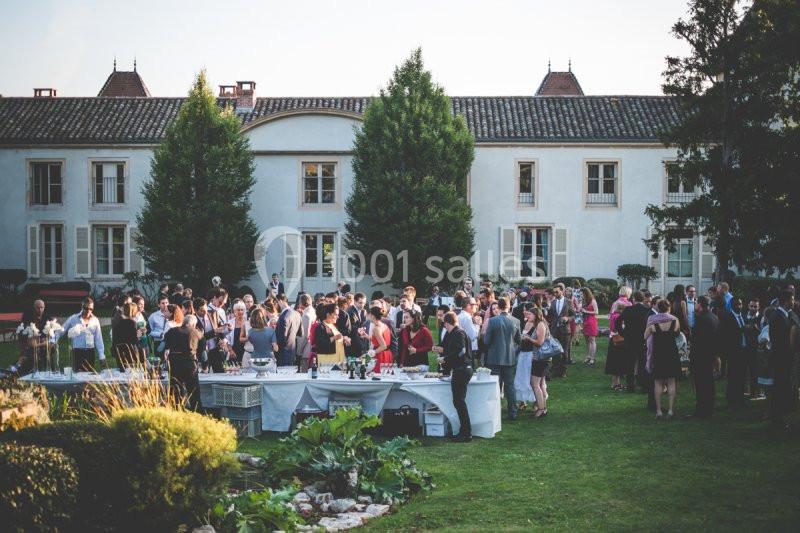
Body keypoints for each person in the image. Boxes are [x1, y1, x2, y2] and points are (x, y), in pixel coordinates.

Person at [433, 311, 473, 442]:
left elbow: (460, 352)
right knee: (458, 401)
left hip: (462, 369)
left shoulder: (458, 333)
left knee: (459, 401)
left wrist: (445, 359)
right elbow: (448, 347)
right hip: (460, 369)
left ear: (446, 323)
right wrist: (439, 350)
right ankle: (464, 431)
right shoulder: (454, 333)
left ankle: (466, 433)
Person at [483, 297, 521, 420]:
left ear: (498, 307)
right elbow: (518, 340)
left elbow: (487, 341)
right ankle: (513, 412)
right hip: (509, 357)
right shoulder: (515, 321)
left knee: (495, 387)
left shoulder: (493, 321)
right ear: (509, 306)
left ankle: (495, 412)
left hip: (494, 358)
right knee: (510, 386)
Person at [645, 299, 682, 419]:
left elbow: (645, 336)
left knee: (658, 382)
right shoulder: (674, 319)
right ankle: (671, 410)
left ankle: (659, 411)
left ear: (658, 308)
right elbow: (677, 333)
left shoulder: (652, 322)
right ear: (668, 308)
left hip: (658, 353)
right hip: (671, 353)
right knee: (671, 381)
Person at [163, 314, 203, 410]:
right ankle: (196, 412)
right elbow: (202, 350)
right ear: (193, 324)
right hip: (189, 363)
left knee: (175, 390)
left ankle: (176, 411)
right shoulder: (196, 332)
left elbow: (165, 343)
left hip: (175, 363)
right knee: (193, 392)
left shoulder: (172, 331)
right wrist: (203, 364)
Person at [768, 289, 795, 431]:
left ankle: (778, 417)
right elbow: (780, 341)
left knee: (781, 388)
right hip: (780, 359)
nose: (794, 302)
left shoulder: (783, 315)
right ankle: (777, 419)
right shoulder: (778, 317)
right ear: (786, 301)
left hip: (781, 359)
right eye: (792, 299)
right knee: (779, 388)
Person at [689, 296, 719, 418]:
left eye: (696, 302)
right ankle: (708, 408)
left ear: (700, 304)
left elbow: (696, 338)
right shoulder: (714, 317)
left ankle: (702, 410)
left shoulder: (700, 318)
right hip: (710, 353)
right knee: (708, 382)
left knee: (701, 384)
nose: (695, 304)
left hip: (701, 355)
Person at [57, 297, 106, 371]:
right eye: (86, 308)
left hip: (90, 352)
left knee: (89, 377)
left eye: (91, 309)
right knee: (77, 376)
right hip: (77, 352)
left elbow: (98, 339)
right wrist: (52, 340)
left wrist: (101, 355)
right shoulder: (73, 318)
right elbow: (61, 330)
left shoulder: (95, 320)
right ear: (82, 307)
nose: (88, 311)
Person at [617, 291, 651, 393]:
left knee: (630, 363)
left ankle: (630, 386)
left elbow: (618, 321)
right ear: (643, 299)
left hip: (630, 339)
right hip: (642, 339)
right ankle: (644, 385)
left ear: (634, 299)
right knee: (642, 363)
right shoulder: (646, 310)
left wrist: (622, 333)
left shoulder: (628, 309)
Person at [721, 298, 748, 408]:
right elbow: (726, 335)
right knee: (733, 377)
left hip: (743, 350)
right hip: (734, 351)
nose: (738, 306)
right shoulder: (728, 317)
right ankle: (732, 401)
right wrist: (742, 329)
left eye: (740, 304)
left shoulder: (743, 316)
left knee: (742, 376)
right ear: (732, 306)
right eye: (736, 304)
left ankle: (740, 399)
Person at [14, 299, 54, 375]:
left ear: (44, 307)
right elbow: (23, 330)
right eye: (38, 308)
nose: (40, 310)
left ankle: (19, 365)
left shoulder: (48, 318)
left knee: (46, 348)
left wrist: (42, 340)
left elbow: (51, 335)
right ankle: (21, 368)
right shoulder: (28, 316)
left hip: (43, 342)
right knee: (30, 351)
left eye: (42, 307)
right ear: (34, 307)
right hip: (31, 341)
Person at [528, 306, 551, 418]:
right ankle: (543, 408)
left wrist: (528, 338)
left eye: (530, 314)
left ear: (536, 315)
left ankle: (541, 409)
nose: (528, 316)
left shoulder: (541, 325)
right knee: (540, 385)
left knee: (535, 384)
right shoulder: (539, 324)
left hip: (541, 359)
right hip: (539, 358)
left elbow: (539, 342)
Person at [547, 285, 574, 376]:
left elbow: (573, 316)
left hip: (565, 330)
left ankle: (563, 371)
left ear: (562, 291)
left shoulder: (569, 302)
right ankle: (555, 369)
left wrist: (567, 318)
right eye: (554, 292)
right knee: (555, 350)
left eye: (557, 292)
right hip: (554, 330)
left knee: (564, 351)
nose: (555, 294)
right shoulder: (553, 302)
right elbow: (550, 316)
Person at [514, 304, 536, 408]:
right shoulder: (526, 322)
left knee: (531, 378)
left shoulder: (537, 324)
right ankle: (522, 401)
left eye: (526, 311)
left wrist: (527, 338)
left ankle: (536, 401)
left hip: (531, 354)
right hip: (522, 353)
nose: (524, 312)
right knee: (521, 377)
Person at [605, 301, 629, 391]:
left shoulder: (613, 315)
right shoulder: (618, 317)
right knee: (617, 363)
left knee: (615, 363)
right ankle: (615, 384)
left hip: (613, 339)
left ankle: (616, 383)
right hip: (617, 340)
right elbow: (617, 328)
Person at [111, 302, 143, 368]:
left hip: (119, 352)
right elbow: (133, 340)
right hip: (130, 353)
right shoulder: (132, 323)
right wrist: (138, 336)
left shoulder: (117, 322)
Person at [361, 305, 393, 372]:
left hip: (380, 355)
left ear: (372, 316)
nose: (367, 316)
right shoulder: (384, 325)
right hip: (387, 354)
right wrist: (367, 336)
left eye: (368, 314)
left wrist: (371, 353)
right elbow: (379, 340)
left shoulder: (376, 328)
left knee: (377, 376)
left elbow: (383, 346)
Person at [743, 298, 763, 399]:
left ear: (759, 307)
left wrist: (756, 328)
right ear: (748, 306)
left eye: (755, 306)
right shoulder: (744, 316)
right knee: (745, 369)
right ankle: (746, 389)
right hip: (745, 347)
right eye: (751, 306)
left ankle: (755, 391)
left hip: (756, 348)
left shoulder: (761, 318)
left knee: (755, 370)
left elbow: (764, 333)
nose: (753, 308)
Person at [206, 287, 230, 373]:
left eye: (224, 303)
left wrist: (224, 338)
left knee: (221, 372)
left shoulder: (221, 311)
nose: (222, 304)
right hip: (207, 346)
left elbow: (222, 328)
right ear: (214, 298)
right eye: (220, 302)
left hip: (219, 347)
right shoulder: (205, 311)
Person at [275, 293, 301, 366]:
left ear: (280, 301)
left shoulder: (283, 317)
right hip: (293, 352)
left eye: (276, 303)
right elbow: (299, 334)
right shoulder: (297, 314)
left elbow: (282, 338)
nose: (275, 305)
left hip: (283, 354)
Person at [225, 300, 249, 365]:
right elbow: (227, 339)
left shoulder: (248, 322)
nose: (240, 312)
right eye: (238, 310)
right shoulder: (230, 322)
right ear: (234, 311)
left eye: (242, 310)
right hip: (233, 353)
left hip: (246, 352)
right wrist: (231, 351)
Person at [347, 293, 368, 357]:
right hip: (353, 342)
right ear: (355, 301)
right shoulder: (349, 311)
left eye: (364, 303)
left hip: (363, 341)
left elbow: (364, 324)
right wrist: (357, 329)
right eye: (360, 302)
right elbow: (348, 327)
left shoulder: (364, 311)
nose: (362, 305)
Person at [581, 287, 599, 365]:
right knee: (587, 340)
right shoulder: (584, 301)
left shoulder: (593, 301)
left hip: (592, 321)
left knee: (592, 339)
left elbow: (596, 312)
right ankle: (588, 356)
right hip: (585, 321)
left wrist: (586, 311)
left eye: (582, 294)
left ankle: (592, 358)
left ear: (586, 293)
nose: (581, 295)